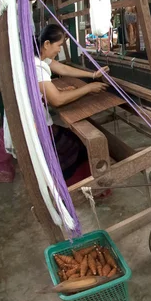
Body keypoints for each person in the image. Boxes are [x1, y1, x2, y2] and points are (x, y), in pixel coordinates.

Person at [35, 24, 109, 183]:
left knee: (72, 142)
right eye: (59, 45)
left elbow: (62, 69)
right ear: (47, 44)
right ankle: (77, 186)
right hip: (35, 126)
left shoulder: (38, 58)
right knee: (75, 147)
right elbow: (57, 100)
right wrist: (88, 88)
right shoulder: (36, 67)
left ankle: (69, 182)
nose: (60, 50)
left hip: (36, 122)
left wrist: (93, 75)